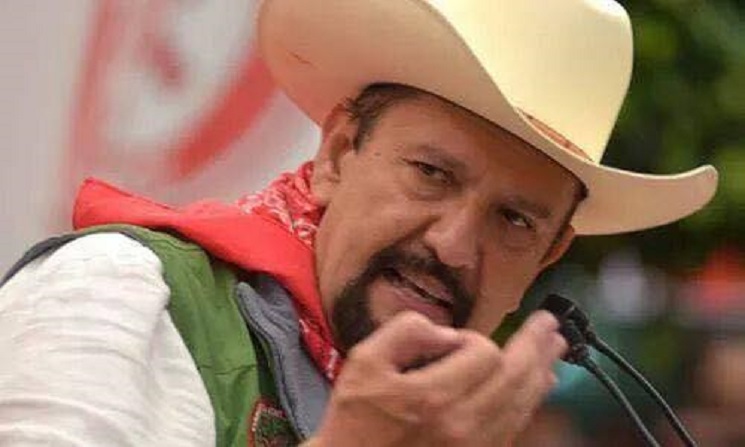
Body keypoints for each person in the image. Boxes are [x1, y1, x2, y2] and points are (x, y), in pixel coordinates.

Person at [0, 0, 718, 446]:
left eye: (513, 220)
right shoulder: (121, 292)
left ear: (548, 255)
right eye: (431, 173)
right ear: (338, 154)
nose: (453, 245)